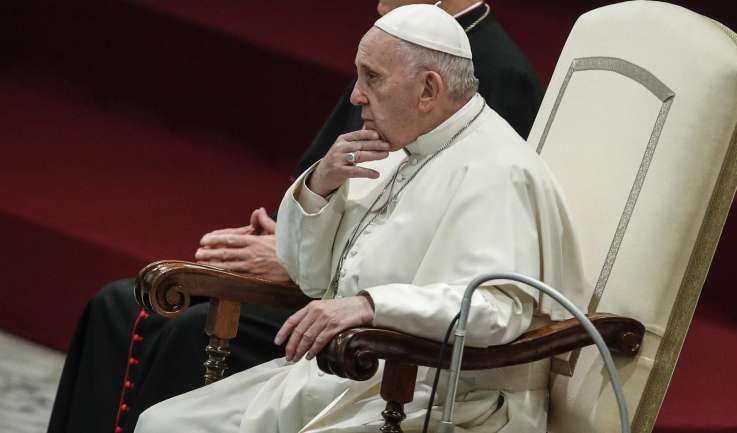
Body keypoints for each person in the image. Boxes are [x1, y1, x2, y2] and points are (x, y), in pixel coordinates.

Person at [47, 2, 544, 433]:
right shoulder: (402, 148)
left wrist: (370, 305)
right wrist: (319, 190)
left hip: (420, 389)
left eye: (371, 78)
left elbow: (498, 309)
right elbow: (314, 276)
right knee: (163, 421)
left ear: (429, 89)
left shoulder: (498, 170)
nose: (355, 96)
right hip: (345, 372)